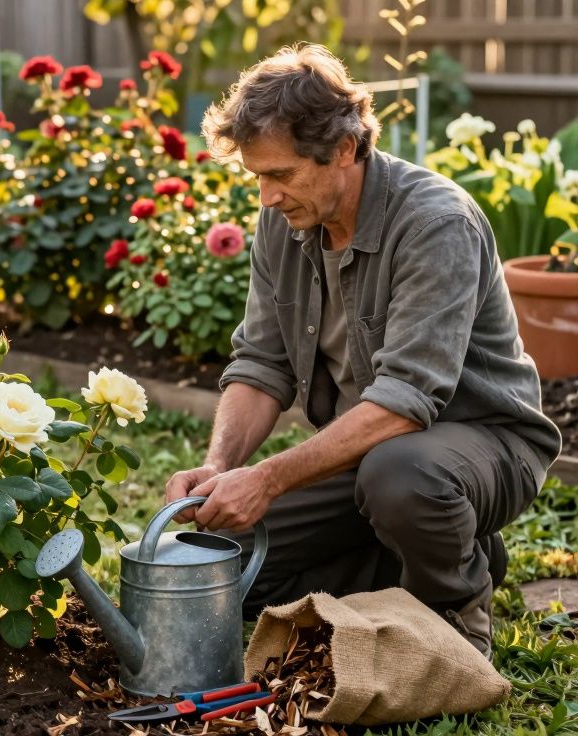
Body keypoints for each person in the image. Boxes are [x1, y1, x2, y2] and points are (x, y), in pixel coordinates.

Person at [164, 44, 561, 655]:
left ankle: (453, 612)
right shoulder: (286, 220)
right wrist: (221, 468)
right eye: (257, 176)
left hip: (480, 444)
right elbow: (261, 364)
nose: (266, 197)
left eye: (281, 174)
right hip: (367, 456)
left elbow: (406, 402)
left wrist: (267, 480)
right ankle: (432, 550)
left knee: (402, 475)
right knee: (219, 572)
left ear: (344, 149)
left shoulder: (436, 223)